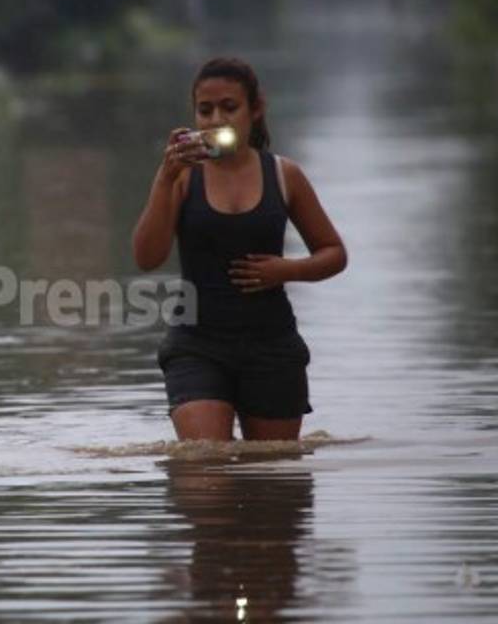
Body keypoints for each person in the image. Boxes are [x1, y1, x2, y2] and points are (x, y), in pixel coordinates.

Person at [132, 57, 347, 441]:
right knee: (206, 471)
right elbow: (147, 257)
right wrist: (164, 179)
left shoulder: (285, 175)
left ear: (256, 109)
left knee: (274, 480)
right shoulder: (180, 177)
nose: (216, 120)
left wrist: (287, 270)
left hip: (272, 344)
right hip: (196, 343)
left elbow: (333, 253)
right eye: (205, 109)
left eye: (229, 107)